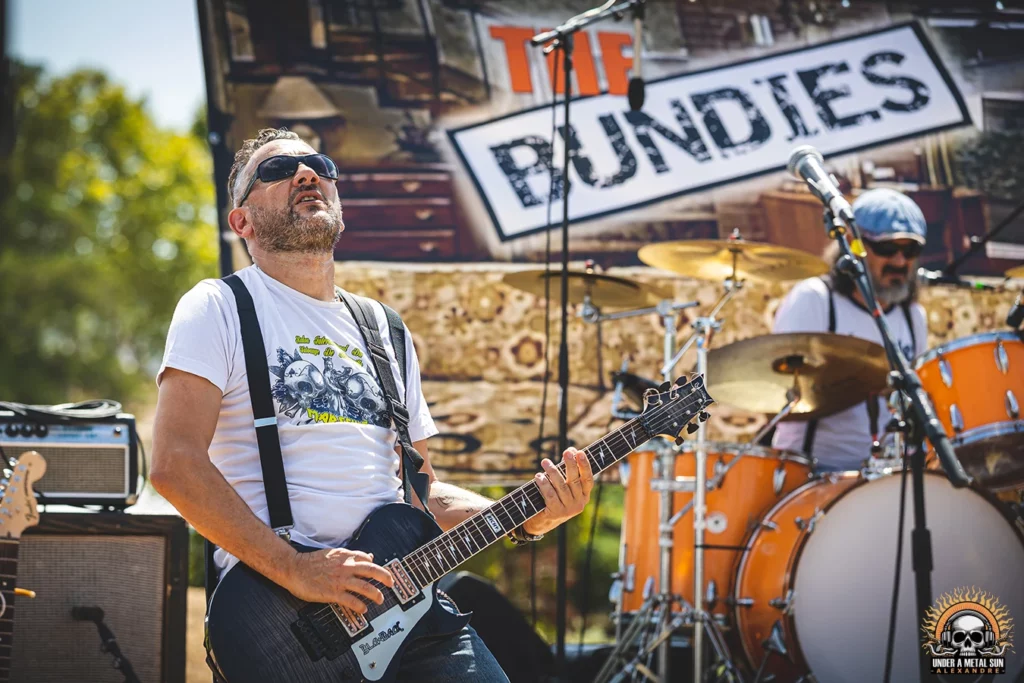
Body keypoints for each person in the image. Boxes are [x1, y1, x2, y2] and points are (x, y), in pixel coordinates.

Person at [150, 128, 594, 681]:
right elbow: (174, 464)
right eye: (277, 170)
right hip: (287, 627)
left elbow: (419, 496)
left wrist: (532, 516)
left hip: (413, 616)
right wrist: (295, 569)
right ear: (241, 222)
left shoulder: (383, 328)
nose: (306, 174)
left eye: (317, 164)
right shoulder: (217, 306)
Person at [771, 188, 929, 472]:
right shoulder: (815, 299)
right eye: (886, 249)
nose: (900, 262)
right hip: (813, 474)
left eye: (910, 250)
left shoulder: (913, 316)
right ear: (850, 244)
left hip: (889, 474)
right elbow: (777, 393)